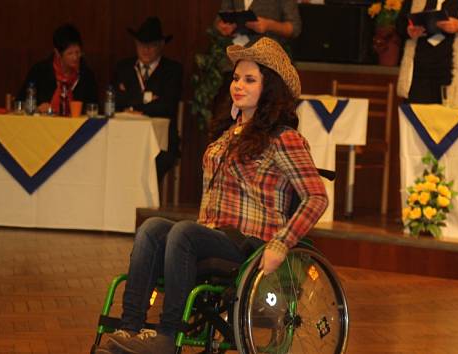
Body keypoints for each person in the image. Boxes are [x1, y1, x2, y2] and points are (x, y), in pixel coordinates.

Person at [96, 37, 327, 354]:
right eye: (235, 78)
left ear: (268, 88)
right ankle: (130, 327)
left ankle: (167, 335)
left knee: (184, 232)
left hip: (251, 241)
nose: (238, 85)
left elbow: (316, 197)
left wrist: (281, 243)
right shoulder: (227, 135)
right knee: (152, 228)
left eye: (249, 79)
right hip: (214, 235)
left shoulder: (283, 138)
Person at [113, 17, 183, 184]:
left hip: (160, 144)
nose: (145, 50)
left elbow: (167, 106)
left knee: (152, 169)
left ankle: (147, 208)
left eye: (150, 46)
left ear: (161, 46)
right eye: (141, 45)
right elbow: (114, 101)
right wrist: (148, 100)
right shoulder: (123, 67)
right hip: (123, 140)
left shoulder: (172, 70)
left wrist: (133, 105)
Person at [396, 0, 458, 107]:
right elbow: (400, 24)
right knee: (417, 120)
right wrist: (409, 30)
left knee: (453, 121)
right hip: (419, 74)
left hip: (455, 77)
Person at [17, 24, 98, 114]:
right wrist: (37, 109)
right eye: (70, 53)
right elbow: (20, 104)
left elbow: (94, 108)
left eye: (78, 52)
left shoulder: (86, 75)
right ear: (57, 53)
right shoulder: (40, 71)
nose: (75, 57)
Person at [215, 0, 302, 46]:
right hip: (235, 57)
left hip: (268, 59)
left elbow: (294, 28)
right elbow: (219, 20)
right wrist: (223, 26)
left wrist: (269, 25)